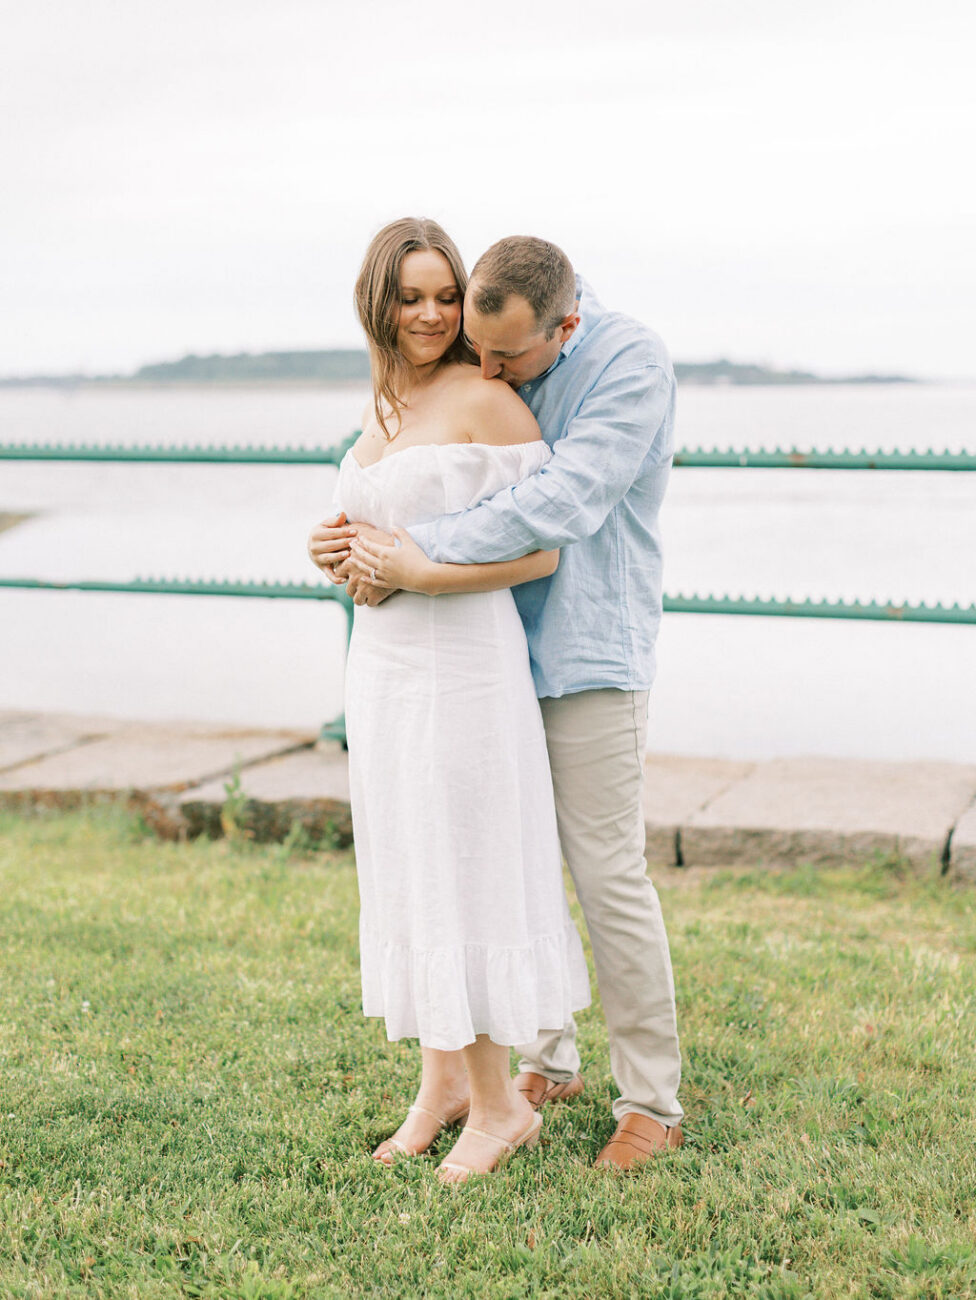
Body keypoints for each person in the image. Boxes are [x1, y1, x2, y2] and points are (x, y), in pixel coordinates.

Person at [310, 235, 684, 1171]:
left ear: (566, 324)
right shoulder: (487, 341)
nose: (485, 367)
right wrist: (358, 547)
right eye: (477, 348)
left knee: (606, 875)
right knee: (499, 861)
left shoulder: (628, 364)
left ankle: (651, 1101)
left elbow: (563, 503)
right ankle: (544, 1064)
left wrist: (411, 556)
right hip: (493, 650)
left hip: (585, 651)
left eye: (506, 357)